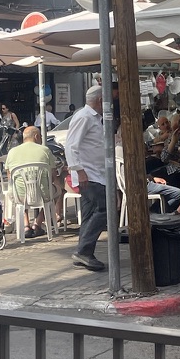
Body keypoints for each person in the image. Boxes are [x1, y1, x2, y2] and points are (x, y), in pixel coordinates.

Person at [65, 85, 107, 272]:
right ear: (99, 100)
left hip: (95, 173)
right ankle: (84, 250)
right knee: (105, 208)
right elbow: (71, 146)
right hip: (89, 174)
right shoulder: (84, 117)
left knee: (90, 213)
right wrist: (79, 170)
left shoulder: (94, 118)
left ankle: (83, 252)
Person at [5, 126, 62, 237]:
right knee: (57, 191)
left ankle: (26, 225)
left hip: (19, 195)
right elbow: (52, 174)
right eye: (40, 136)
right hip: (42, 194)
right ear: (36, 136)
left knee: (19, 190)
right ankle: (38, 223)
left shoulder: (12, 152)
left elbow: (10, 177)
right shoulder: (44, 150)